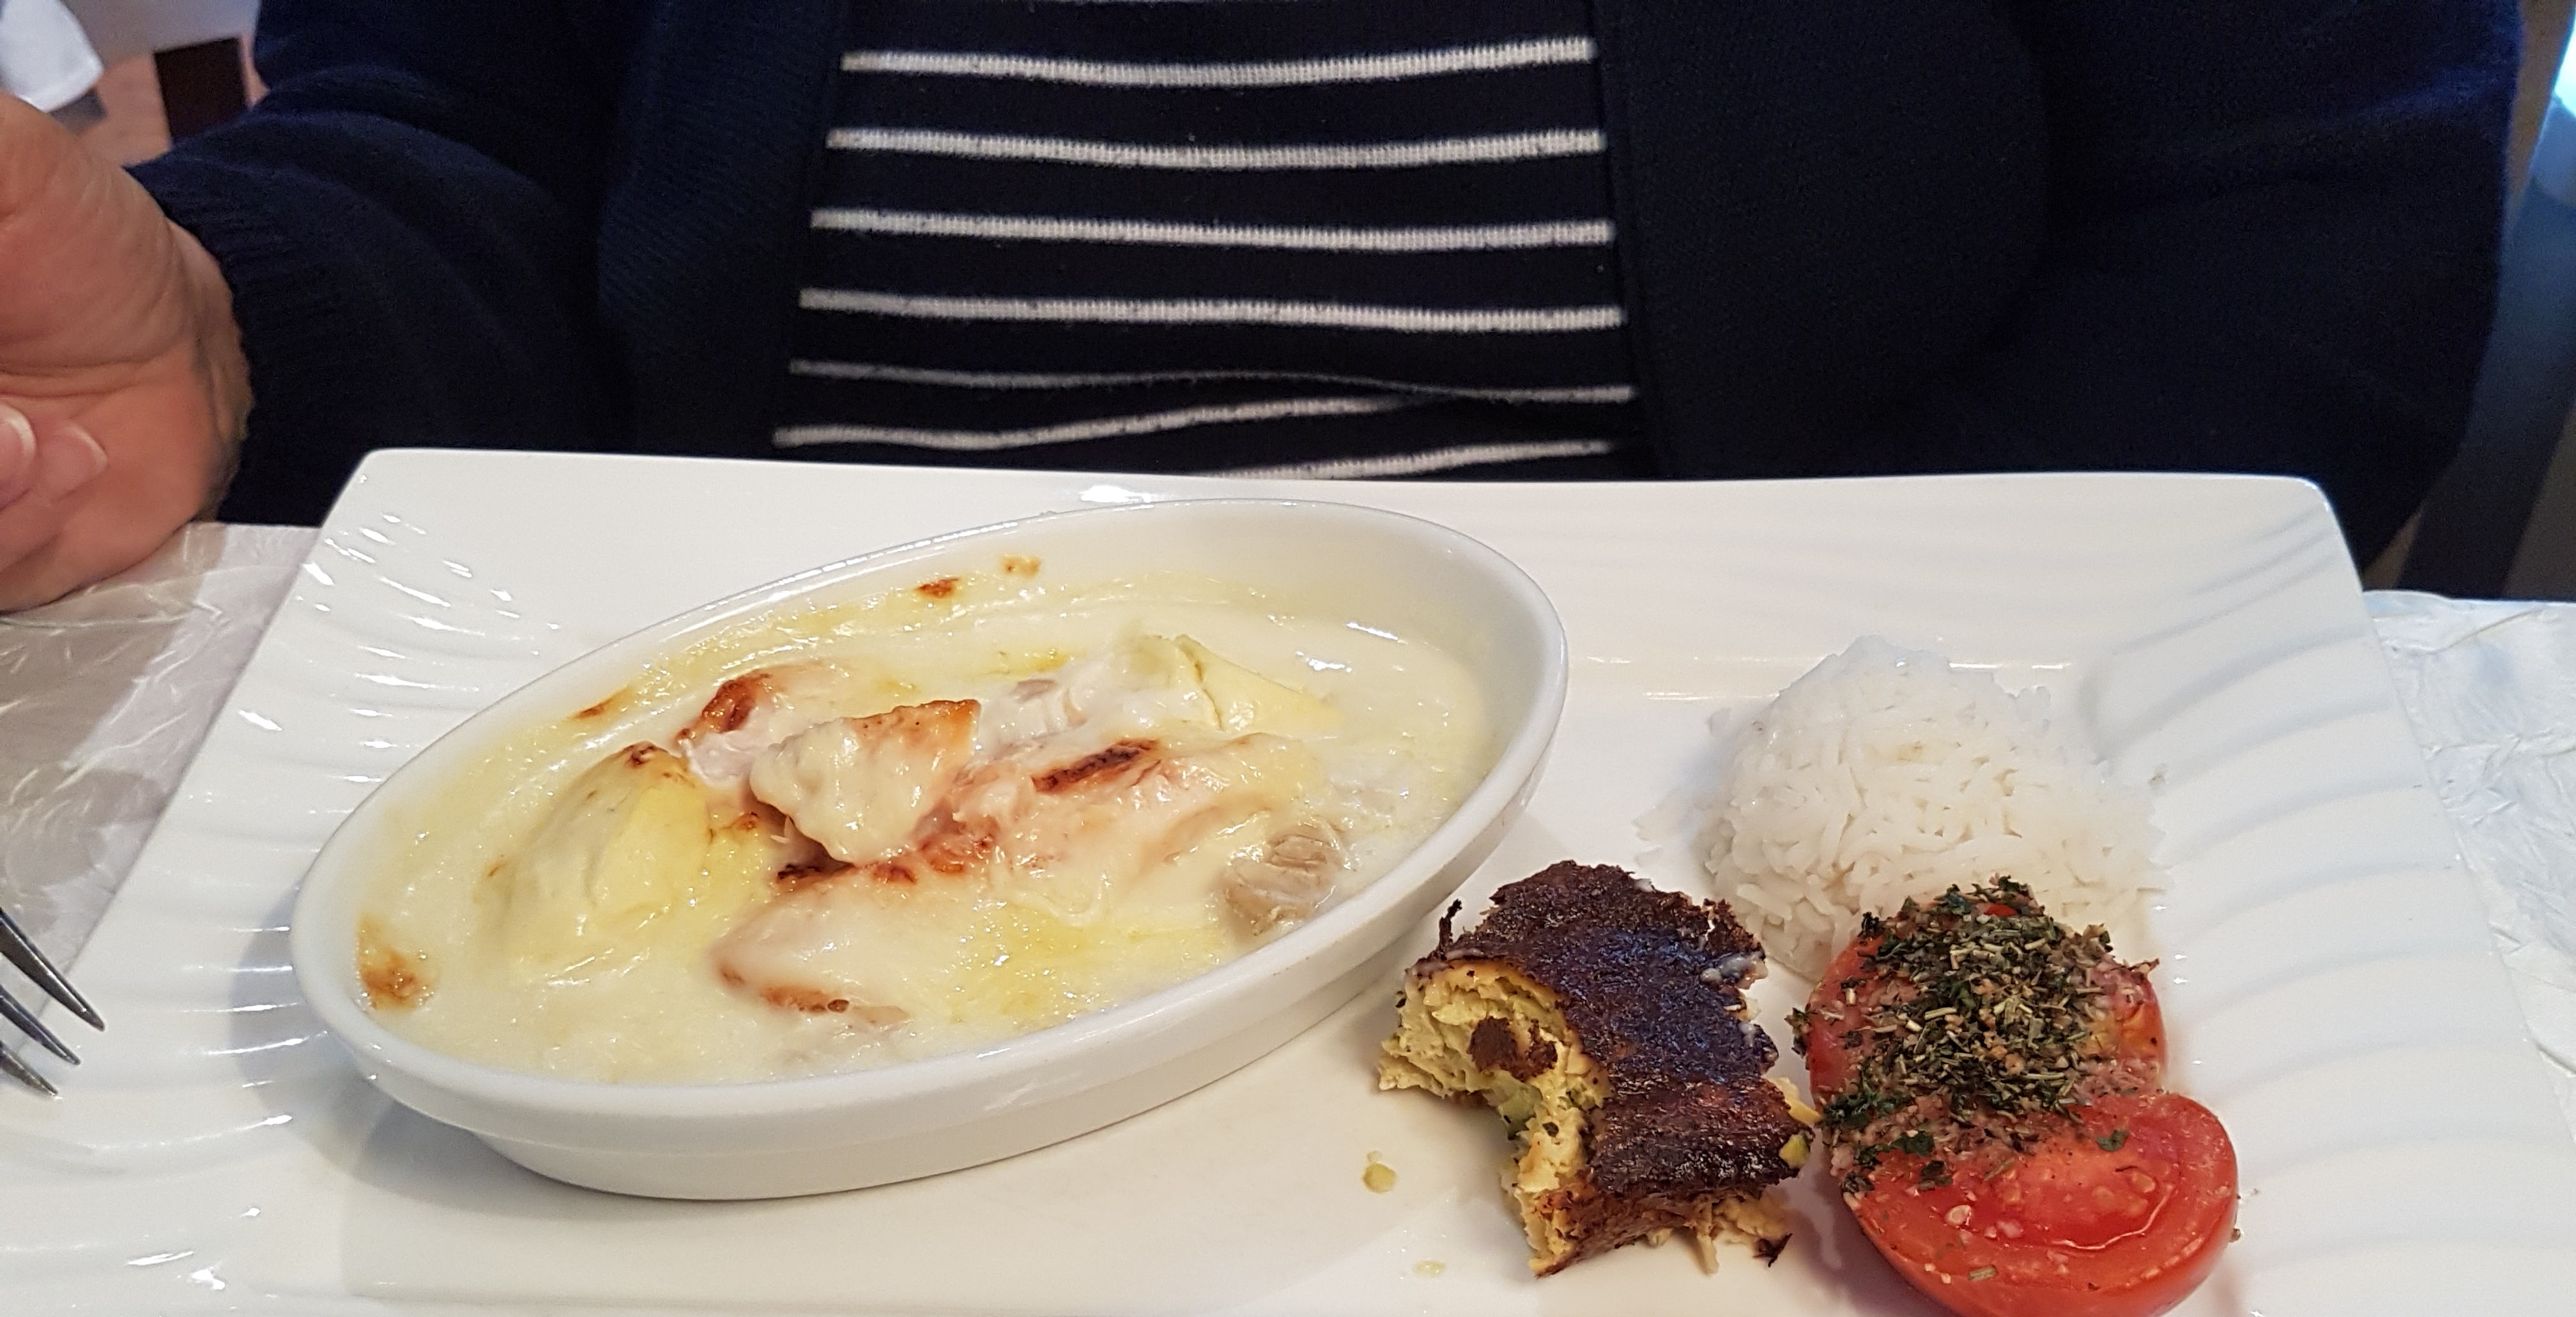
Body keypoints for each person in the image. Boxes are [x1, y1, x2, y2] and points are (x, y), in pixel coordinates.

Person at [0, 0, 2522, 613]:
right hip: (774, 739)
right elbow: (466, 125)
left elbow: (2296, 243)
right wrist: (222, 320)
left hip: (1762, 755)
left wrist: (1824, 690)